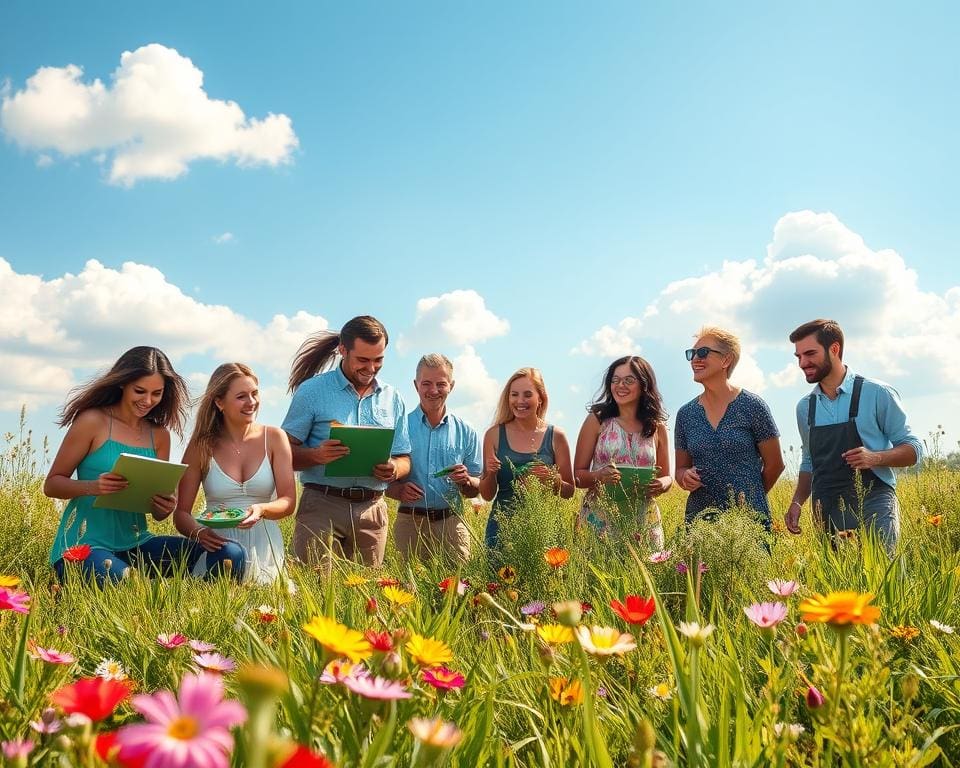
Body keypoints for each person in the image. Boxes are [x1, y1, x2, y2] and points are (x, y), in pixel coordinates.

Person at [44, 347, 245, 585]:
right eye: (139, 391)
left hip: (138, 545)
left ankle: (194, 606)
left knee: (229, 554)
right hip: (85, 547)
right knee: (128, 581)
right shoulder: (92, 422)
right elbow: (52, 485)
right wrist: (93, 486)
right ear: (122, 384)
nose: (147, 401)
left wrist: (165, 506)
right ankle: (155, 593)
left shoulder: (159, 435)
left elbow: (158, 516)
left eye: (156, 393)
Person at [282, 316, 411, 568]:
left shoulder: (393, 398)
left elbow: (405, 457)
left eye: (378, 360)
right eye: (362, 360)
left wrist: (394, 468)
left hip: (372, 510)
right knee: (316, 591)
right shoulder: (312, 391)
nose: (371, 367)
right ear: (343, 350)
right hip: (321, 504)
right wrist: (315, 456)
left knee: (367, 598)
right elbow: (283, 452)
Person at [784, 319, 922, 552]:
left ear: (834, 349)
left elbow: (913, 449)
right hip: (826, 508)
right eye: (798, 356)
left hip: (874, 502)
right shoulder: (805, 407)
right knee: (838, 585)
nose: (802, 363)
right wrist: (798, 501)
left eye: (809, 354)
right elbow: (809, 460)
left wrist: (875, 458)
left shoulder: (877, 393)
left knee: (880, 577)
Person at [174, 363, 296, 585]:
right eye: (241, 396)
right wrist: (199, 533)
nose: (252, 402)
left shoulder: (275, 438)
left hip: (265, 544)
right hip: (220, 548)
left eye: (255, 394)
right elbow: (181, 514)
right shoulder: (201, 446)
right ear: (219, 402)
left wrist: (262, 509)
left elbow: (288, 502)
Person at [675, 327, 784, 528]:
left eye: (703, 352)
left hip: (749, 523)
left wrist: (750, 498)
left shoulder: (753, 406)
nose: (695, 359)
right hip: (700, 524)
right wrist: (685, 477)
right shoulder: (685, 414)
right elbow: (680, 469)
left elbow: (775, 465)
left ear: (726, 360)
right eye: (692, 354)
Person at [387, 354, 482, 564]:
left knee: (459, 590)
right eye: (426, 383)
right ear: (415, 385)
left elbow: (477, 486)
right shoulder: (398, 428)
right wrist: (399, 490)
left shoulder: (466, 431)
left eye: (441, 384)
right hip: (410, 523)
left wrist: (466, 481)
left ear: (452, 386)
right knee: (408, 589)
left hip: (452, 524)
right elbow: (381, 482)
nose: (433, 390)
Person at [573, 356, 671, 548]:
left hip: (644, 522)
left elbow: (667, 476)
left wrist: (662, 483)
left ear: (644, 385)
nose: (620, 385)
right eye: (615, 380)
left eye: (629, 380)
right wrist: (599, 476)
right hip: (599, 520)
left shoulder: (656, 427)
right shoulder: (596, 420)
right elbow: (577, 477)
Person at [479, 368, 575, 551]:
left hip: (544, 530)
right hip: (502, 530)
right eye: (514, 394)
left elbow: (569, 491)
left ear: (541, 399)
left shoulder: (556, 436)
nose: (520, 401)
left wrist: (553, 480)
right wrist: (490, 474)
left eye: (527, 394)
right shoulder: (493, 435)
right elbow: (487, 494)